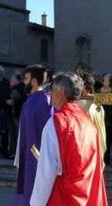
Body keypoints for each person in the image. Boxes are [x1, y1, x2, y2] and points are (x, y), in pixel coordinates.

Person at [30, 72, 106, 206]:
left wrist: (36, 203)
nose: (50, 94)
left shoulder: (55, 123)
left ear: (61, 92)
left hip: (64, 197)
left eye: (52, 90)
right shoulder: (88, 122)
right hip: (88, 195)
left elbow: (47, 170)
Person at [14, 64, 52, 206]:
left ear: (34, 82)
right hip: (44, 157)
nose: (23, 82)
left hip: (33, 157)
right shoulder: (48, 100)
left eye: (25, 78)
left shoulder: (31, 103)